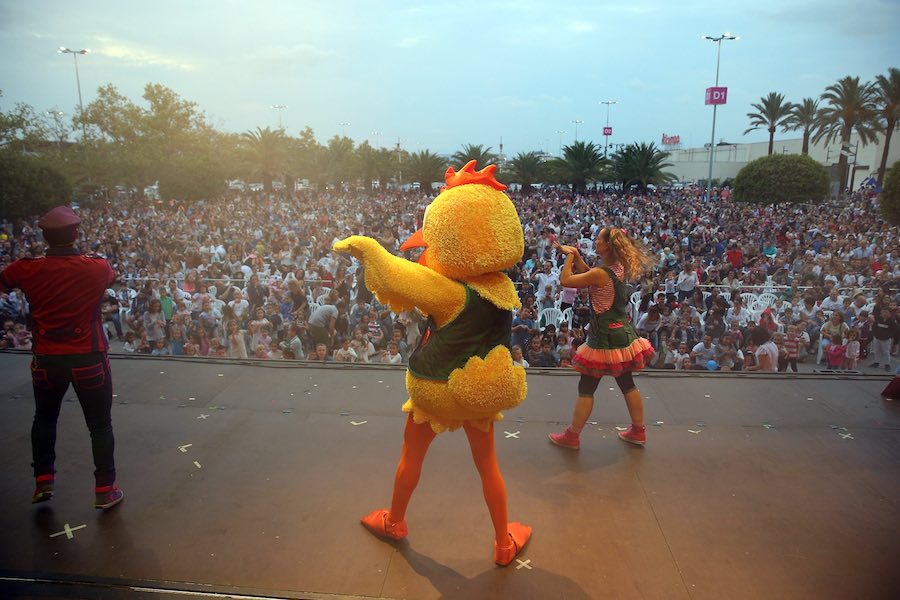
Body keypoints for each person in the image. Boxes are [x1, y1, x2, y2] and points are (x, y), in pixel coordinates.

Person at [0, 206, 123, 509]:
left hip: (47, 359)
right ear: (77, 233)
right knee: (100, 425)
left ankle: (43, 480)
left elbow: (4, 281)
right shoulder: (95, 267)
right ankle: (105, 490)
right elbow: (110, 276)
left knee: (44, 418)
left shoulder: (26, 268)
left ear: (43, 236)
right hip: (88, 358)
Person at [549, 227, 655, 449]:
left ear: (607, 246)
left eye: (598, 239)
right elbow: (591, 275)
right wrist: (577, 256)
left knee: (587, 385)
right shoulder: (616, 268)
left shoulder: (601, 273)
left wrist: (569, 256)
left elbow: (566, 280)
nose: (595, 242)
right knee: (627, 382)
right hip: (622, 333)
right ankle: (638, 430)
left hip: (604, 337)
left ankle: (572, 436)